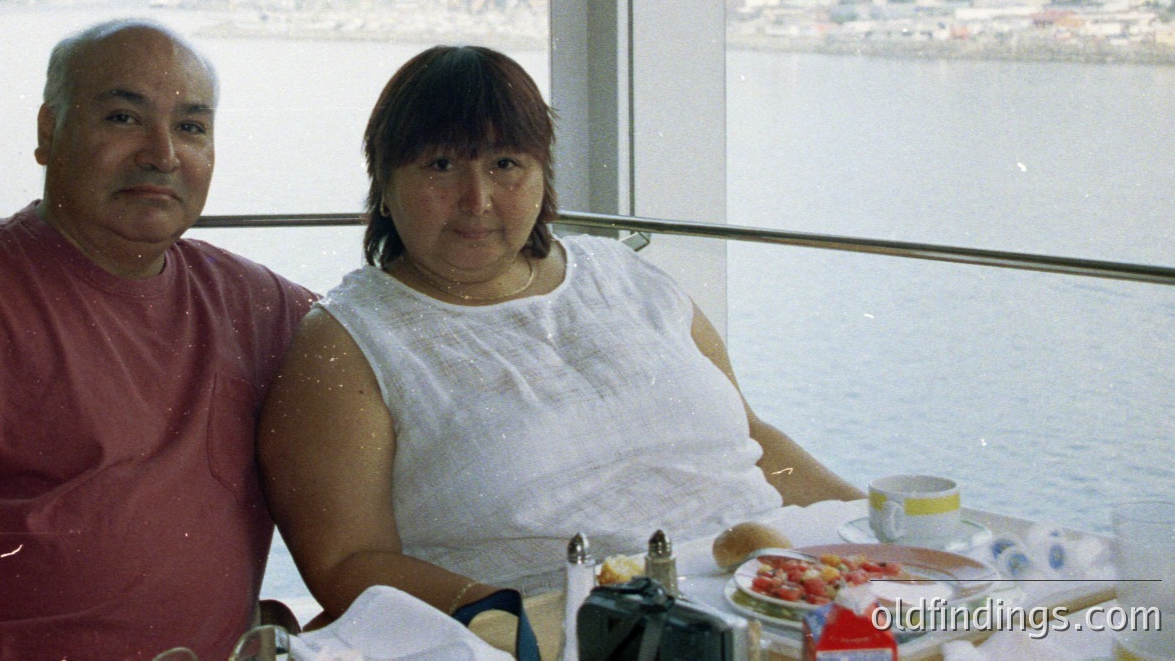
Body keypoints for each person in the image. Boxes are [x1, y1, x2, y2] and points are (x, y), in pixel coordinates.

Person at [258, 44, 860, 623]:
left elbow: (752, 440)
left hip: (777, 593)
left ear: (543, 176)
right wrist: (516, 617)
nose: (478, 199)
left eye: (505, 164)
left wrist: (874, 525)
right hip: (573, 628)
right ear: (384, 186)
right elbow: (347, 563)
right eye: (440, 165)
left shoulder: (625, 276)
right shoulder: (348, 342)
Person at [0, 20, 315, 661]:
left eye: (191, 126)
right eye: (124, 118)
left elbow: (388, 359)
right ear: (49, 133)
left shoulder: (258, 305)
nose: (161, 153)